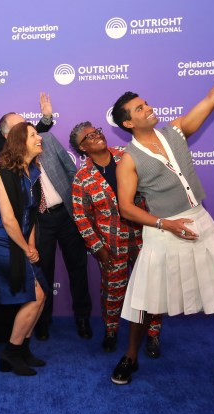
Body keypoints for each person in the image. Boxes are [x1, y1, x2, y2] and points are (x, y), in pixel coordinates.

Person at [109, 27, 214, 402]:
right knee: (145, 301)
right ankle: (130, 357)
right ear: (129, 122)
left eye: (146, 103)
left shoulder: (176, 131)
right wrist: (166, 224)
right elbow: (126, 208)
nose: (148, 108)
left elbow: (213, 97)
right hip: (162, 232)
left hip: (200, 222)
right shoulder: (128, 160)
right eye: (140, 108)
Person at [69, 122, 163, 356]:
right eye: (88, 136)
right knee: (113, 291)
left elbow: (153, 185)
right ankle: (111, 331)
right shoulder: (82, 178)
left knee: (151, 286)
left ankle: (153, 335)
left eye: (97, 131)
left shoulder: (127, 156)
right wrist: (97, 247)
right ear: (82, 148)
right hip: (111, 245)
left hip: (146, 236)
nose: (96, 135)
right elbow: (82, 218)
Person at [1, 113, 92, 341]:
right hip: (40, 222)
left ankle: (83, 318)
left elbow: (72, 172)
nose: (31, 132)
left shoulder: (47, 141)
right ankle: (43, 322)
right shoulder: (10, 161)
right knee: (44, 273)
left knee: (78, 269)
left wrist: (80, 207)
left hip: (66, 214)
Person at [0, 122, 47, 376]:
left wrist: (30, 244)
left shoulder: (33, 172)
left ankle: (22, 350)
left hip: (19, 239)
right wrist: (24, 248)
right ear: (21, 142)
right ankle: (11, 352)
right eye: (33, 135)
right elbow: (9, 220)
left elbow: (29, 215)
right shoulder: (4, 172)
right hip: (1, 240)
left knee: (40, 295)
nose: (39, 138)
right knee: (37, 295)